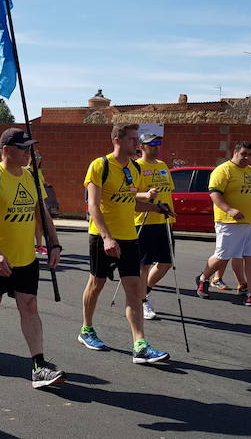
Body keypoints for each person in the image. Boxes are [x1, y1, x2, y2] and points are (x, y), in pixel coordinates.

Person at [0, 128, 66, 388]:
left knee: (30, 305)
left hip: (25, 258)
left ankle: (39, 365)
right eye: (24, 149)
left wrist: (54, 244)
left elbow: (43, 215)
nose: (28, 153)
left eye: (30, 148)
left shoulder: (33, 177)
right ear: (6, 150)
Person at [78, 123, 171, 364]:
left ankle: (140, 344)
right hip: (102, 236)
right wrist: (107, 237)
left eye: (137, 139)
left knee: (133, 288)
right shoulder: (100, 166)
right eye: (132, 139)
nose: (136, 144)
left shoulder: (133, 169)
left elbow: (132, 202)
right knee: (97, 283)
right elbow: (93, 206)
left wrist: (156, 207)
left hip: (130, 237)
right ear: (117, 140)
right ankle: (86, 329)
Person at [195, 141, 251, 309]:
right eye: (243, 154)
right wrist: (230, 210)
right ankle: (203, 279)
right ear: (235, 152)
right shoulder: (223, 170)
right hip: (229, 222)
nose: (246, 157)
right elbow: (214, 194)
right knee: (222, 256)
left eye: (249, 155)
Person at [133, 133, 177, 320]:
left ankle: (146, 289)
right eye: (152, 144)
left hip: (164, 221)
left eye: (158, 143)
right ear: (142, 147)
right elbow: (130, 194)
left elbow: (168, 192)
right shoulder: (136, 167)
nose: (157, 147)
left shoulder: (162, 166)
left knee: (167, 263)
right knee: (144, 265)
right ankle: (143, 301)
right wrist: (146, 194)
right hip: (144, 221)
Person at [27, 152, 49, 255]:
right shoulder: (29, 169)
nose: (38, 159)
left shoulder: (39, 170)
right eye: (36, 157)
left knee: (39, 224)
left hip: (40, 198)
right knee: (34, 224)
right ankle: (34, 245)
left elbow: (42, 182)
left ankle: (39, 245)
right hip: (31, 199)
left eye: (40, 157)